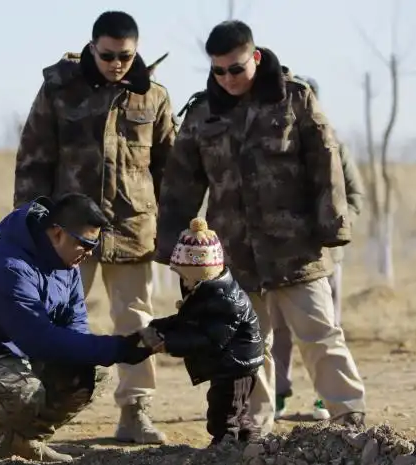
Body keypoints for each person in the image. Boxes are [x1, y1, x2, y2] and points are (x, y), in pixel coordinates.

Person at [155, 20, 367, 435]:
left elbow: (327, 165)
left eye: (235, 69)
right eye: (218, 71)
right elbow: (180, 185)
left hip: (297, 249)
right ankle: (254, 429)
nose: (227, 79)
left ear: (254, 56)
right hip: (235, 254)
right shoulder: (203, 113)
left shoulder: (295, 99)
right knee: (248, 346)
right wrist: (171, 249)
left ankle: (349, 421)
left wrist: (332, 227)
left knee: (320, 335)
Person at [13, 11, 177, 444]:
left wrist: (175, 227)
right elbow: (34, 156)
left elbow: (169, 169)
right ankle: (35, 413)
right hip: (68, 230)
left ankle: (135, 410)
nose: (116, 64)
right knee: (52, 316)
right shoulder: (59, 89)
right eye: (107, 55)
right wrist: (29, 222)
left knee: (135, 317)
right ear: (92, 47)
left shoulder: (153, 97)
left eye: (125, 56)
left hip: (131, 228)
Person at [0, 194, 159, 465]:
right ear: (57, 233)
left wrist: (124, 348)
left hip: (19, 361)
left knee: (92, 372)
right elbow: (38, 339)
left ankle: (25, 440)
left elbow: (74, 332)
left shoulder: (68, 267)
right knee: (21, 389)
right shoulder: (8, 266)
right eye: (86, 244)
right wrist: (118, 347)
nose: (91, 253)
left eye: (95, 245)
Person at [271, 75, 366, 420]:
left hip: (325, 256)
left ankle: (330, 402)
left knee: (325, 329)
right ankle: (276, 396)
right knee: (276, 330)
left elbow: (353, 196)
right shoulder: (274, 146)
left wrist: (333, 225)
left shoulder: (335, 146)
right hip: (279, 256)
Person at [141, 218, 264, 446]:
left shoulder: (225, 300)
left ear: (202, 272)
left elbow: (208, 339)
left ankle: (226, 451)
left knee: (225, 414)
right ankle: (250, 445)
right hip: (230, 363)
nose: (183, 282)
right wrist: (161, 326)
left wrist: (168, 344)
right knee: (235, 410)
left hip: (236, 365)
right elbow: (188, 320)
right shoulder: (208, 291)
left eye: (186, 276)